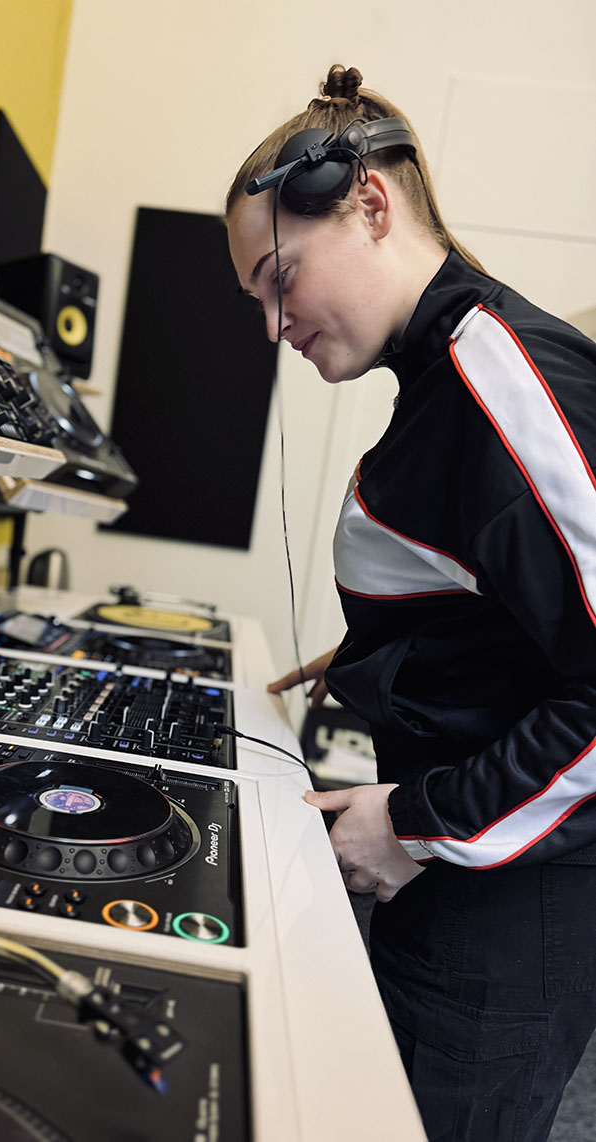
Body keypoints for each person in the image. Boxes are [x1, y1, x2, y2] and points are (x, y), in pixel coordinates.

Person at [226, 64, 596, 1142]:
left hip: (503, 899)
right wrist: (376, 647)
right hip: (462, 875)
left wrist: (415, 824)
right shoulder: (443, 377)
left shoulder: (499, 387)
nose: (271, 323)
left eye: (278, 278)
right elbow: (513, 608)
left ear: (371, 203)